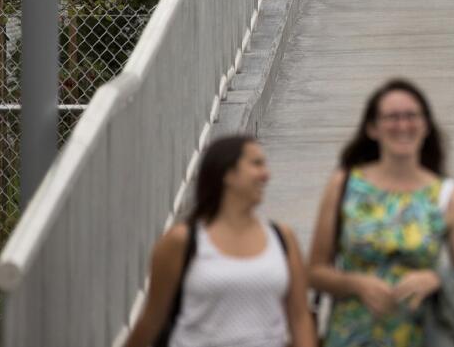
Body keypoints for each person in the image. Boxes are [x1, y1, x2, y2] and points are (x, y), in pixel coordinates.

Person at [308, 79, 454, 347]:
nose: (402, 126)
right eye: (391, 118)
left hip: (422, 336)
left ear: (425, 126)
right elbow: (315, 270)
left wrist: (436, 279)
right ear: (372, 128)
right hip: (352, 337)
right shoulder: (344, 186)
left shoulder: (448, 198)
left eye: (411, 116)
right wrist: (356, 284)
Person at [123, 134, 316, 347]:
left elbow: (300, 319)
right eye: (256, 164)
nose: (266, 174)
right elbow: (152, 321)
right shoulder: (181, 241)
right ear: (228, 173)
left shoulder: (282, 237)